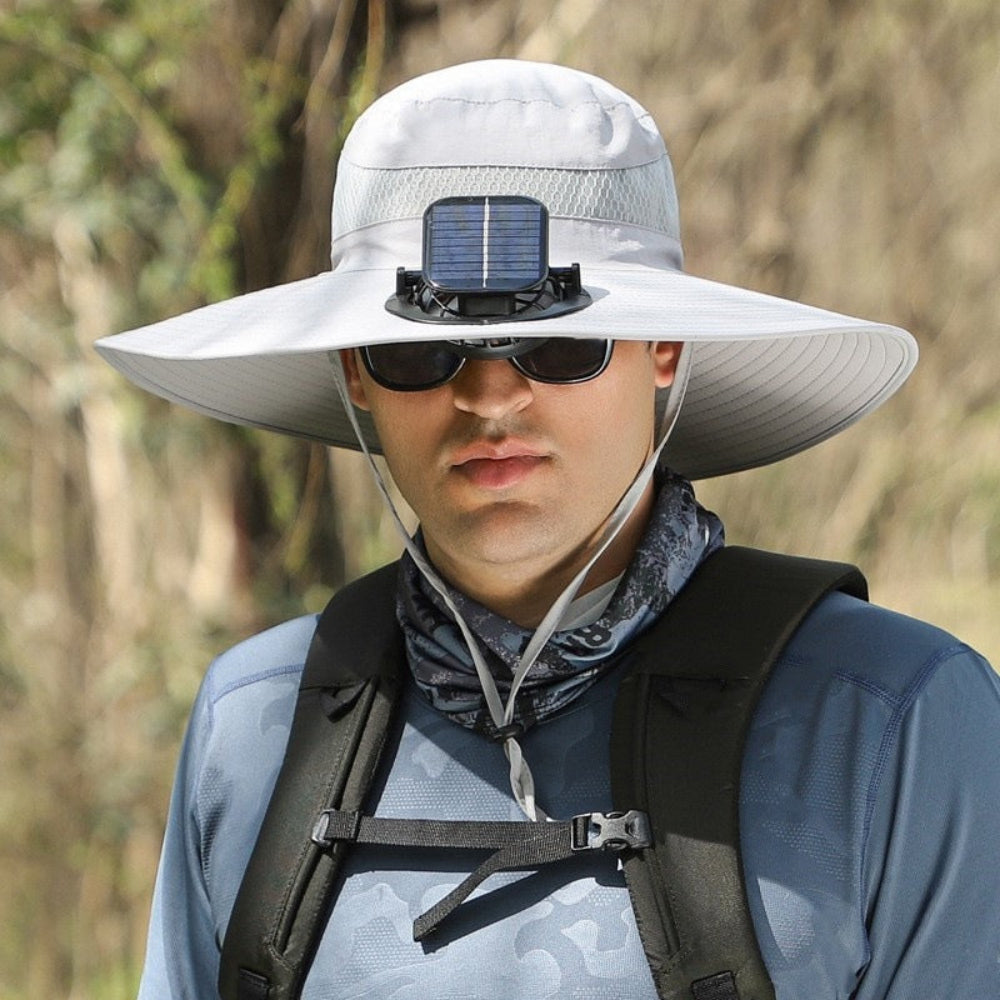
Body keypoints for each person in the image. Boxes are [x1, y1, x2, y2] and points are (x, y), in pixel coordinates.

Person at [96, 60, 1000, 1000]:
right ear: (353, 372)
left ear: (666, 349)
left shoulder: (895, 722)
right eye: (419, 349)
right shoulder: (254, 727)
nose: (489, 395)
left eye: (561, 343)